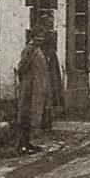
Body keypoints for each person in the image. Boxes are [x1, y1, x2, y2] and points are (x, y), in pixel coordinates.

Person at [14, 24, 53, 155]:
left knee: (32, 115)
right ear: (33, 37)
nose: (40, 40)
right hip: (29, 88)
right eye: (38, 38)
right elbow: (22, 66)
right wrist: (27, 82)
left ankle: (27, 142)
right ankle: (21, 145)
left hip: (37, 87)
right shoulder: (29, 49)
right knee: (25, 115)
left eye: (42, 38)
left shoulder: (38, 49)